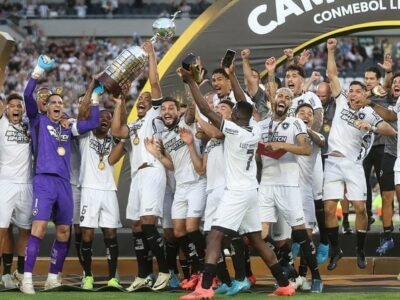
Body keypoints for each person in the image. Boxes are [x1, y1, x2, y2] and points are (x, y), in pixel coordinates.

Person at [177, 66, 295, 299]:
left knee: (214, 235)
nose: (227, 116)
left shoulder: (234, 130)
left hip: (237, 192)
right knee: (256, 240)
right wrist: (232, 76)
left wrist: (191, 82)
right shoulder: (253, 129)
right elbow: (244, 104)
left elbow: (204, 109)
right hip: (252, 191)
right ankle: (284, 284)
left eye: (231, 114)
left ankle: (205, 288)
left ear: (236, 117)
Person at [20, 55, 100, 294]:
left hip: (65, 184)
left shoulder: (68, 126)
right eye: (53, 102)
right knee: (40, 228)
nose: (57, 104)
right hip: (44, 180)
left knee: (64, 231)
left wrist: (95, 96)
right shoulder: (37, 121)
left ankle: (53, 277)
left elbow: (94, 122)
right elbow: (26, 96)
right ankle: (26, 279)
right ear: (45, 106)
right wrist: (37, 72)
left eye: (60, 103)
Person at [323, 38, 396, 271]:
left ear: (365, 94)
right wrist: (331, 50)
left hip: (353, 165)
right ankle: (336, 250)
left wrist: (372, 127)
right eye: (351, 90)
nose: (352, 94)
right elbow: (332, 75)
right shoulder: (342, 101)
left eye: (357, 91)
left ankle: (361, 250)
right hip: (332, 162)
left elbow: (391, 129)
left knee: (361, 208)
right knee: (328, 208)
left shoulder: (369, 112)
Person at [111, 41, 172, 291]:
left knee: (148, 223)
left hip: (153, 170)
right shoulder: (135, 125)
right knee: (136, 226)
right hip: (137, 175)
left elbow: (155, 82)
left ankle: (165, 271)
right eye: (140, 100)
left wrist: (151, 55)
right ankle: (143, 274)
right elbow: (117, 129)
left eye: (146, 99)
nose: (143, 101)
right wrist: (119, 102)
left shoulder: (154, 118)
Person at [258, 87, 323, 293]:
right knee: (259, 235)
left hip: (289, 184)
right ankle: (288, 272)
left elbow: (306, 149)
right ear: (273, 99)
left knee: (300, 231)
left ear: (290, 103)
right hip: (266, 184)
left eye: (287, 97)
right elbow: (255, 152)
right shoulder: (261, 125)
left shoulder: (295, 123)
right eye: (280, 95)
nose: (283, 99)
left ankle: (317, 278)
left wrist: (283, 147)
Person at [78, 109, 125, 289]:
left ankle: (113, 277)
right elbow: (82, 117)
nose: (104, 120)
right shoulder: (85, 135)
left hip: (108, 190)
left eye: (108, 118)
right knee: (87, 234)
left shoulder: (113, 139)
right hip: (89, 189)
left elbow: (122, 126)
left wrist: (120, 102)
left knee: (110, 234)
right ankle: (88, 276)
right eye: (101, 117)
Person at [0, 93, 32, 288]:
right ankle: (4, 273)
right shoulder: (2, 123)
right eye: (12, 106)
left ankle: (19, 273)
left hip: (27, 184)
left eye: (19, 106)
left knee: (25, 231)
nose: (16, 109)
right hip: (5, 183)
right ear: (6, 109)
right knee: (2, 230)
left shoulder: (28, 125)